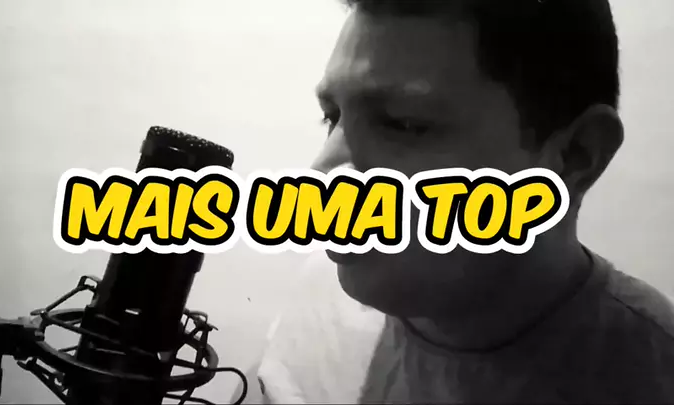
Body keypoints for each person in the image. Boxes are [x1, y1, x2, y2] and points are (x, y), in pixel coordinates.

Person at [236, 0, 674, 403]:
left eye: (404, 124)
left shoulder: (654, 376)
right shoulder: (321, 296)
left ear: (575, 155)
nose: (320, 176)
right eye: (330, 117)